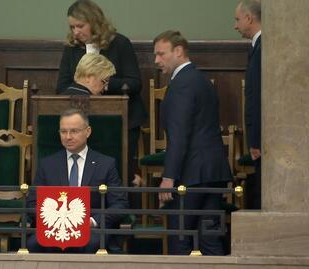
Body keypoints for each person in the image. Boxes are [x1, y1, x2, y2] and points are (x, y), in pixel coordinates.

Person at [153, 30, 233, 255]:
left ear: (178, 51)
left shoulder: (182, 84)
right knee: (210, 241)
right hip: (213, 172)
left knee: (181, 239)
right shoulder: (201, 79)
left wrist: (168, 177)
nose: (156, 60)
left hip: (190, 175)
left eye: (161, 54)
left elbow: (179, 135)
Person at [57, 0, 147, 191]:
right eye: (72, 27)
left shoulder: (120, 44)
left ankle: (120, 211)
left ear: (95, 22)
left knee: (117, 170)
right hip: (84, 120)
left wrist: (102, 85)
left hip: (122, 120)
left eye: (80, 26)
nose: (75, 32)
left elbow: (134, 83)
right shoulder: (71, 48)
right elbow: (62, 86)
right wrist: (84, 89)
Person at [26, 108, 129, 253]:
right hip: (53, 228)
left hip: (90, 230)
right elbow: (32, 203)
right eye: (63, 131)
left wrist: (93, 222)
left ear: (88, 131)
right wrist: (52, 221)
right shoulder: (47, 164)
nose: (68, 137)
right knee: (32, 243)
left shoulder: (105, 164)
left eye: (74, 131)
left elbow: (120, 204)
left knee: (89, 243)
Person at [234, 0, 262, 209]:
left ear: (249, 18)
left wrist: (256, 140)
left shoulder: (263, 48)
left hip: (264, 139)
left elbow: (258, 99)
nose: (235, 25)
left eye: (237, 19)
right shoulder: (257, 46)